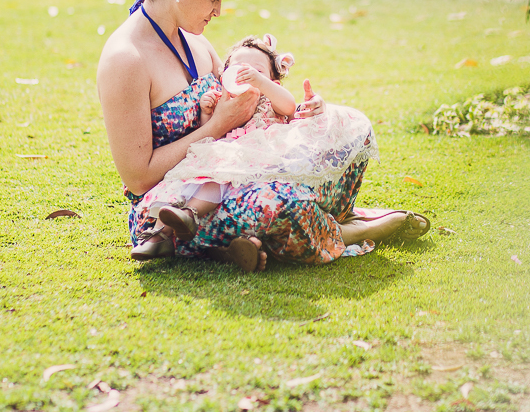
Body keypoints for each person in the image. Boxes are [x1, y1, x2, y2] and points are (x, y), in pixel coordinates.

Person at [96, 0, 429, 272]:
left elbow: (255, 112)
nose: (219, 11)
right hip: (175, 204)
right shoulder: (127, 59)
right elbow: (138, 177)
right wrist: (218, 124)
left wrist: (306, 112)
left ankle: (257, 241)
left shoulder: (195, 43)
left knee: (351, 134)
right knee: (286, 205)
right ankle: (359, 229)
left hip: (238, 172)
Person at [132, 33, 381, 257]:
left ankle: (195, 224)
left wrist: (262, 84)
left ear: (273, 81)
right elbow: (210, 133)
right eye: (239, 68)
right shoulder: (226, 98)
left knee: (223, 180)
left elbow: (289, 106)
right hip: (227, 155)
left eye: (257, 71)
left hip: (260, 157)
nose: (247, 73)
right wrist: (208, 110)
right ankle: (173, 224)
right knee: (202, 179)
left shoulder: (270, 98)